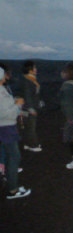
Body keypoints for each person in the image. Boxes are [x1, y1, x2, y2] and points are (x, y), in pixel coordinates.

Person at [0, 67, 31, 199]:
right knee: (14, 157)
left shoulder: (2, 90)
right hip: (6, 127)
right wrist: (18, 105)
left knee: (8, 155)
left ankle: (9, 179)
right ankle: (13, 190)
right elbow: (5, 113)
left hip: (5, 127)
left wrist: (16, 104)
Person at [20, 60, 43, 152]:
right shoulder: (27, 80)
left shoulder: (31, 79)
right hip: (29, 108)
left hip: (31, 106)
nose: (36, 69)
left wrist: (39, 102)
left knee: (28, 126)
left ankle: (27, 143)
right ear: (29, 70)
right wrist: (31, 108)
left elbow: (34, 94)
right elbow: (27, 95)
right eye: (34, 68)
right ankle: (33, 145)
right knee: (31, 127)